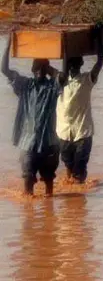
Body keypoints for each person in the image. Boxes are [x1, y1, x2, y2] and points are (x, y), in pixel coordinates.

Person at [2, 41, 59, 196]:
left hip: (49, 145)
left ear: (47, 70)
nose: (39, 70)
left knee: (49, 191)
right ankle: (30, 216)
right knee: (27, 184)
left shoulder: (52, 87)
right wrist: (9, 43)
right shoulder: (25, 86)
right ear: (33, 70)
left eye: (43, 67)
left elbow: (63, 77)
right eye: (37, 67)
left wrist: (51, 69)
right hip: (28, 144)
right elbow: (4, 69)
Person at [56, 28, 103, 184]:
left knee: (79, 174)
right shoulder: (61, 80)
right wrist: (64, 43)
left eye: (76, 64)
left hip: (82, 132)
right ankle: (74, 202)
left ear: (81, 64)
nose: (73, 67)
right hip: (64, 132)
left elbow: (100, 61)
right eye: (71, 64)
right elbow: (55, 68)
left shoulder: (87, 80)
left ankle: (78, 204)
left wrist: (99, 41)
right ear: (68, 65)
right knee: (68, 170)